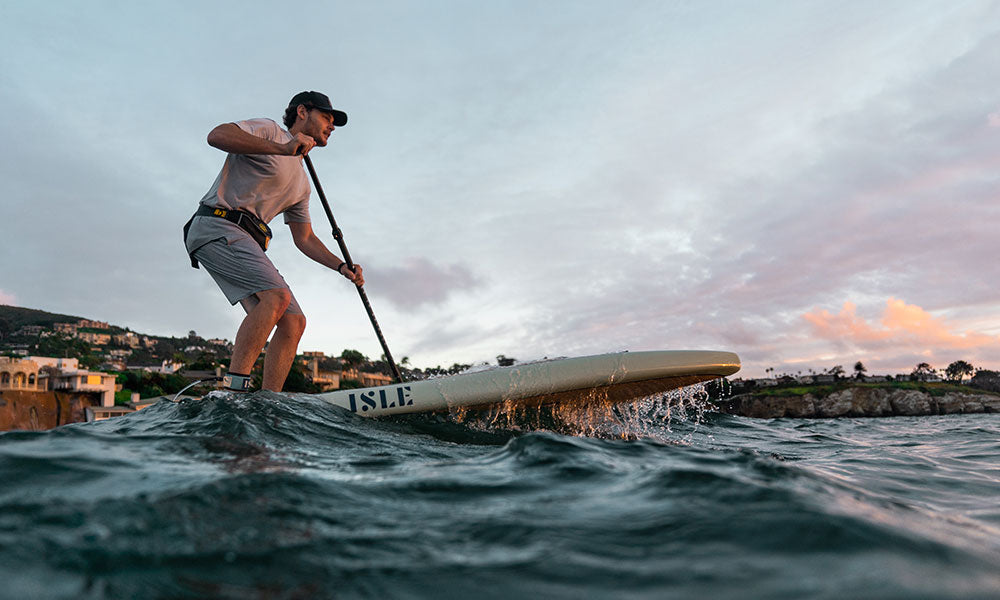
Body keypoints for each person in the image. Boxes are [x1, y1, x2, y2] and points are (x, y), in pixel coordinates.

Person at [183, 91, 364, 393]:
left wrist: (341, 266)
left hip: (246, 239)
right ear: (302, 112)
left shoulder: (303, 184)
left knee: (294, 321)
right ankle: (234, 390)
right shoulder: (270, 131)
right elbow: (217, 136)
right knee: (276, 298)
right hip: (217, 223)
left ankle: (269, 402)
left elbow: (304, 238)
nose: (331, 126)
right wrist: (282, 148)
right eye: (327, 118)